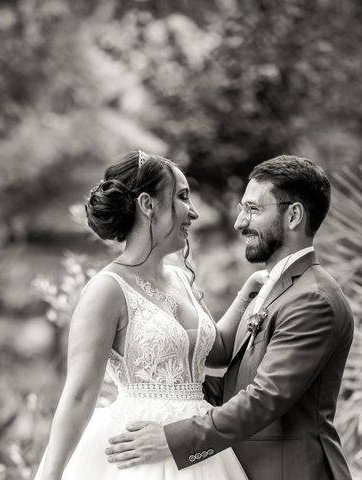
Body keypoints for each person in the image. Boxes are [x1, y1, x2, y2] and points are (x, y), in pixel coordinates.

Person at [106, 155, 355, 480]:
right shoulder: (274, 288)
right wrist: (158, 390)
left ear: (293, 215)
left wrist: (171, 440)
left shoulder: (313, 299)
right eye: (241, 209)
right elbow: (239, 383)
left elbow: (263, 399)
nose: (239, 223)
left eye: (253, 209)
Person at [34, 150, 264, 480]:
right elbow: (80, 395)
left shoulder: (182, 279)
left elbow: (218, 352)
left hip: (198, 449)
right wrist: (49, 476)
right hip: (138, 455)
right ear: (148, 204)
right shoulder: (106, 290)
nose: (194, 212)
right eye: (183, 197)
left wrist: (250, 290)